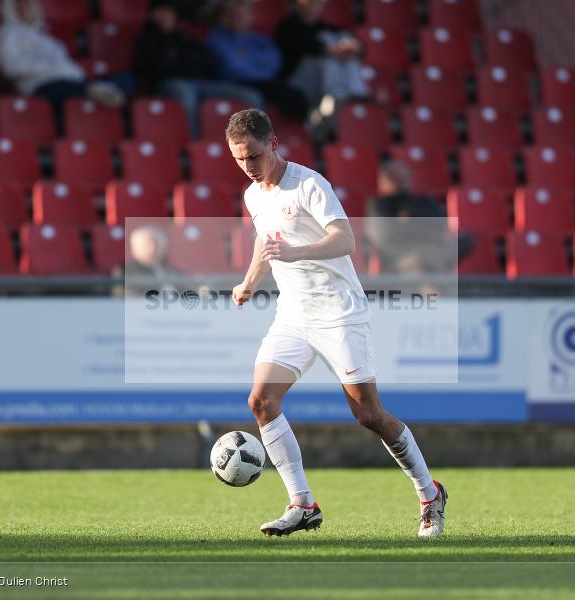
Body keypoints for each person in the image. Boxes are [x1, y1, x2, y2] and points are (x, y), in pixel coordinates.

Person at [227, 109, 447, 538]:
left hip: (339, 313)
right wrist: (249, 281)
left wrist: (297, 252)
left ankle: (429, 493)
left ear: (273, 144)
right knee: (261, 401)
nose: (248, 166)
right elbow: (266, 240)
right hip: (293, 315)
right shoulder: (254, 196)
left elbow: (345, 239)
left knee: (368, 414)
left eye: (253, 156)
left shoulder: (309, 184)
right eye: (239, 159)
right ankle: (302, 504)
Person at [133, 0, 265, 138]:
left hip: (199, 82)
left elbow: (206, 60)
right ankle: (194, 142)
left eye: (170, 12)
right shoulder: (146, 38)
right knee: (185, 93)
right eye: (162, 12)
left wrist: (181, 62)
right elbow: (152, 68)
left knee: (251, 96)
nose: (167, 16)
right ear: (153, 15)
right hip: (169, 83)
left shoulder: (181, 36)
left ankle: (259, 144)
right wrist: (181, 64)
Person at [0, 0, 135, 114]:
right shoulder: (8, 33)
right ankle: (95, 90)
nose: (25, 11)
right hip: (41, 85)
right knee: (66, 90)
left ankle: (100, 89)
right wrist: (49, 67)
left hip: (71, 79)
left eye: (27, 6)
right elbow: (10, 67)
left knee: (127, 78)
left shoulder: (43, 35)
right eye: (19, 7)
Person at [207, 0, 309, 121]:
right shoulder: (217, 38)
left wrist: (246, 59)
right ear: (225, 16)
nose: (238, 18)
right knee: (269, 94)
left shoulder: (258, 39)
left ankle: (307, 128)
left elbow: (274, 63)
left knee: (295, 95)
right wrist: (258, 65)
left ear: (250, 16)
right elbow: (233, 68)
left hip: (264, 83)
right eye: (234, 15)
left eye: (242, 15)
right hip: (234, 84)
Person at [364, 161, 460, 279]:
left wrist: (409, 222)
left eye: (402, 179)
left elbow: (440, 223)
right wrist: (420, 226)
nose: (399, 184)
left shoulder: (422, 201)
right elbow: (388, 232)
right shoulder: (378, 204)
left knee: (459, 241)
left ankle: (433, 283)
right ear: (383, 182)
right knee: (425, 261)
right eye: (394, 179)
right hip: (400, 256)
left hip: (430, 250)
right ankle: (434, 286)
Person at [274, 0, 369, 112]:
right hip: (296, 84)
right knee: (327, 59)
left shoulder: (324, 27)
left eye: (315, 4)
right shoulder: (287, 26)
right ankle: (332, 98)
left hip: (322, 81)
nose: (311, 8)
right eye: (307, 3)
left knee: (344, 44)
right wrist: (331, 50)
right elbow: (303, 45)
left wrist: (352, 47)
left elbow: (359, 46)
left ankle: (357, 95)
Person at [112, 225, 178, 297]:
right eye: (146, 244)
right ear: (134, 249)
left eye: (156, 243)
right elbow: (126, 296)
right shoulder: (124, 270)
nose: (152, 249)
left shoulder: (171, 271)